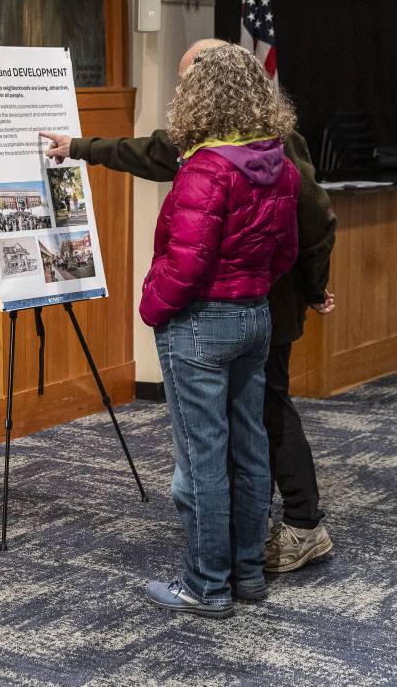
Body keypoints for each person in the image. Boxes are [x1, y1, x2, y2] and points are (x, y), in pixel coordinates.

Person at [42, 38, 336, 575]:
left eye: (186, 81)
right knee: (242, 431)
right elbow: (145, 151)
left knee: (261, 417)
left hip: (261, 304)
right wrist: (78, 146)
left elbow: (313, 221)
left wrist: (313, 288)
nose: (180, 91)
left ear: (212, 85)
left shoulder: (263, 147)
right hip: (252, 300)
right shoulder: (208, 144)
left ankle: (301, 523)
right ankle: (244, 549)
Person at [122, 43, 300, 617]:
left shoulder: (206, 169)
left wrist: (151, 307)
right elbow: (285, 253)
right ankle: (248, 574)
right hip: (255, 317)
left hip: (200, 326)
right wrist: (248, 290)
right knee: (248, 451)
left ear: (201, 98)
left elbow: (187, 263)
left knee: (202, 458)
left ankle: (206, 586)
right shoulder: (279, 164)